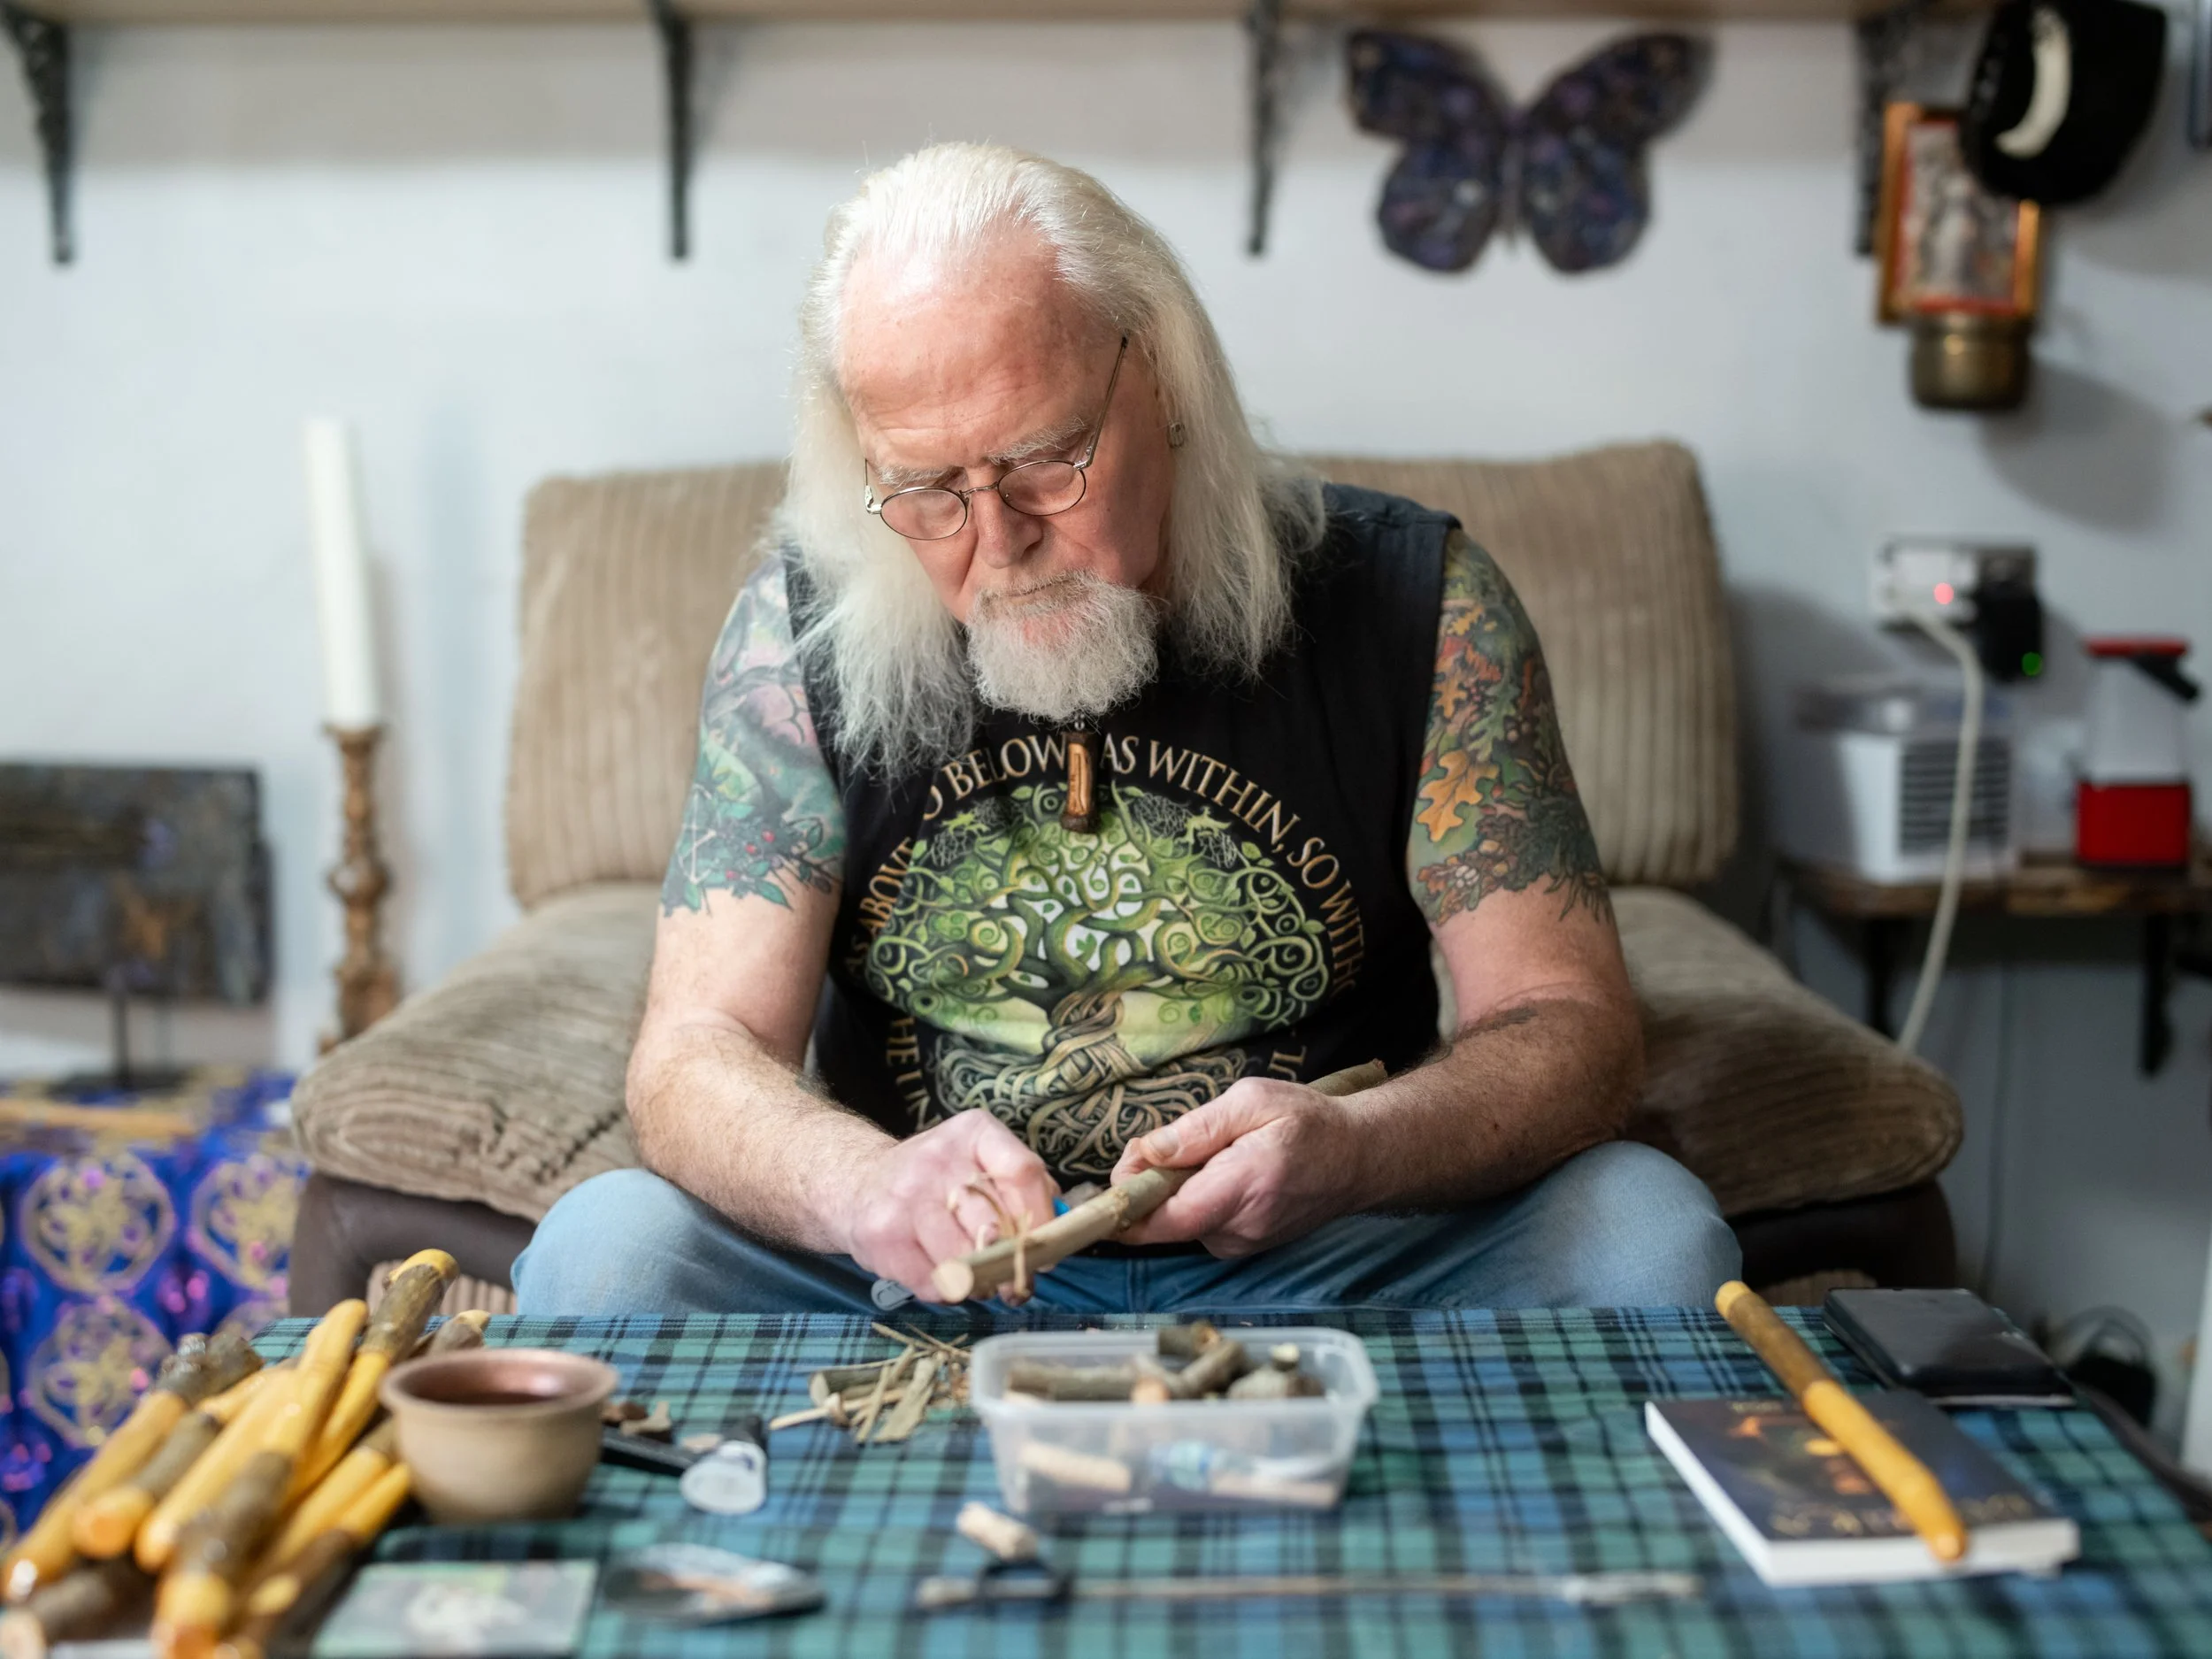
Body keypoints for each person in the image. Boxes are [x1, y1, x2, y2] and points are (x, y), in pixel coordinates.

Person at [514, 142, 1740, 1317]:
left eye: (1048, 461)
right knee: (609, 1253)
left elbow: (1572, 1026)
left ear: (1161, 375)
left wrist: (1359, 1146)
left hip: (1333, 1253)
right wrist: (860, 1186)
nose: (998, 546)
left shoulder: (1419, 604)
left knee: (1649, 1235)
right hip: (926, 1275)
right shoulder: (801, 634)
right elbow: (694, 1052)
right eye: (930, 489)